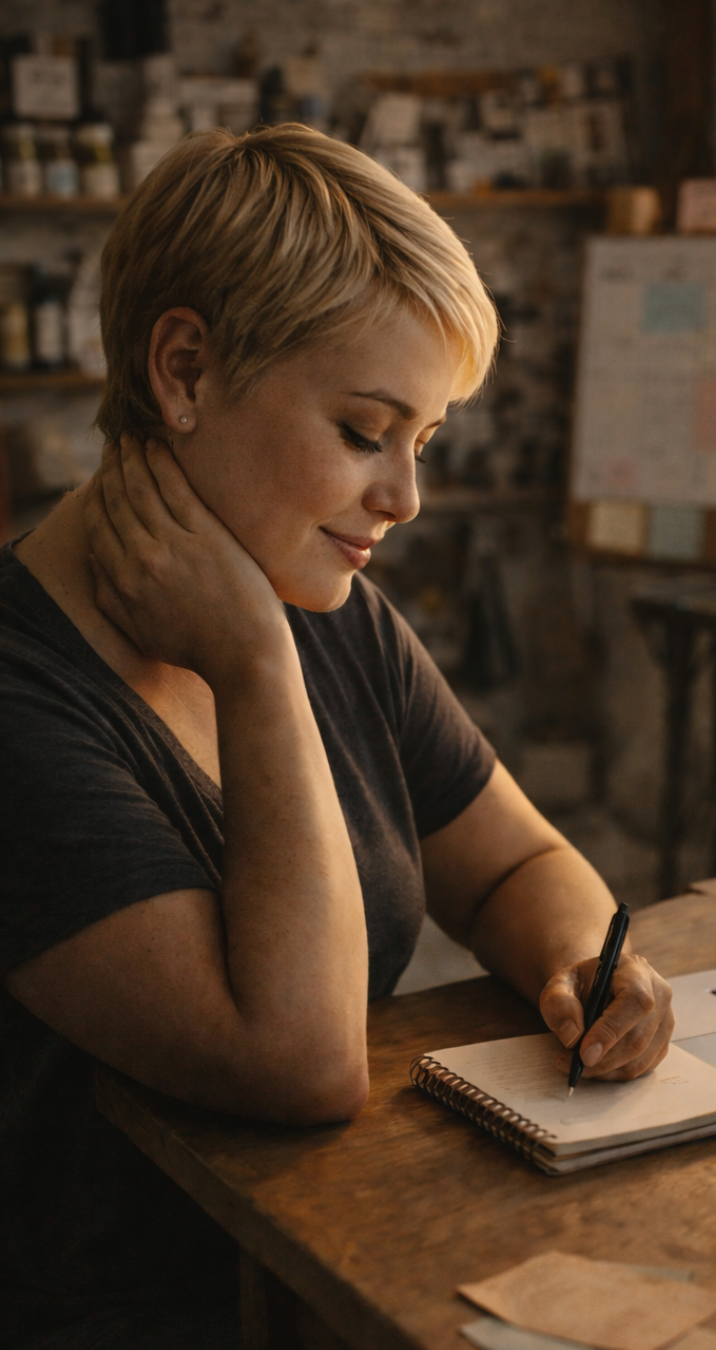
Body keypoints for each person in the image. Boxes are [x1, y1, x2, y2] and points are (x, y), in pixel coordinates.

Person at [0, 125, 674, 1347]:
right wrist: (257, 668)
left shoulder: (326, 606)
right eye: (366, 432)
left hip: (339, 1275)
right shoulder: (33, 695)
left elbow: (518, 863)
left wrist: (590, 959)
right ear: (187, 369)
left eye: (423, 443)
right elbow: (301, 1061)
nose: (404, 500)